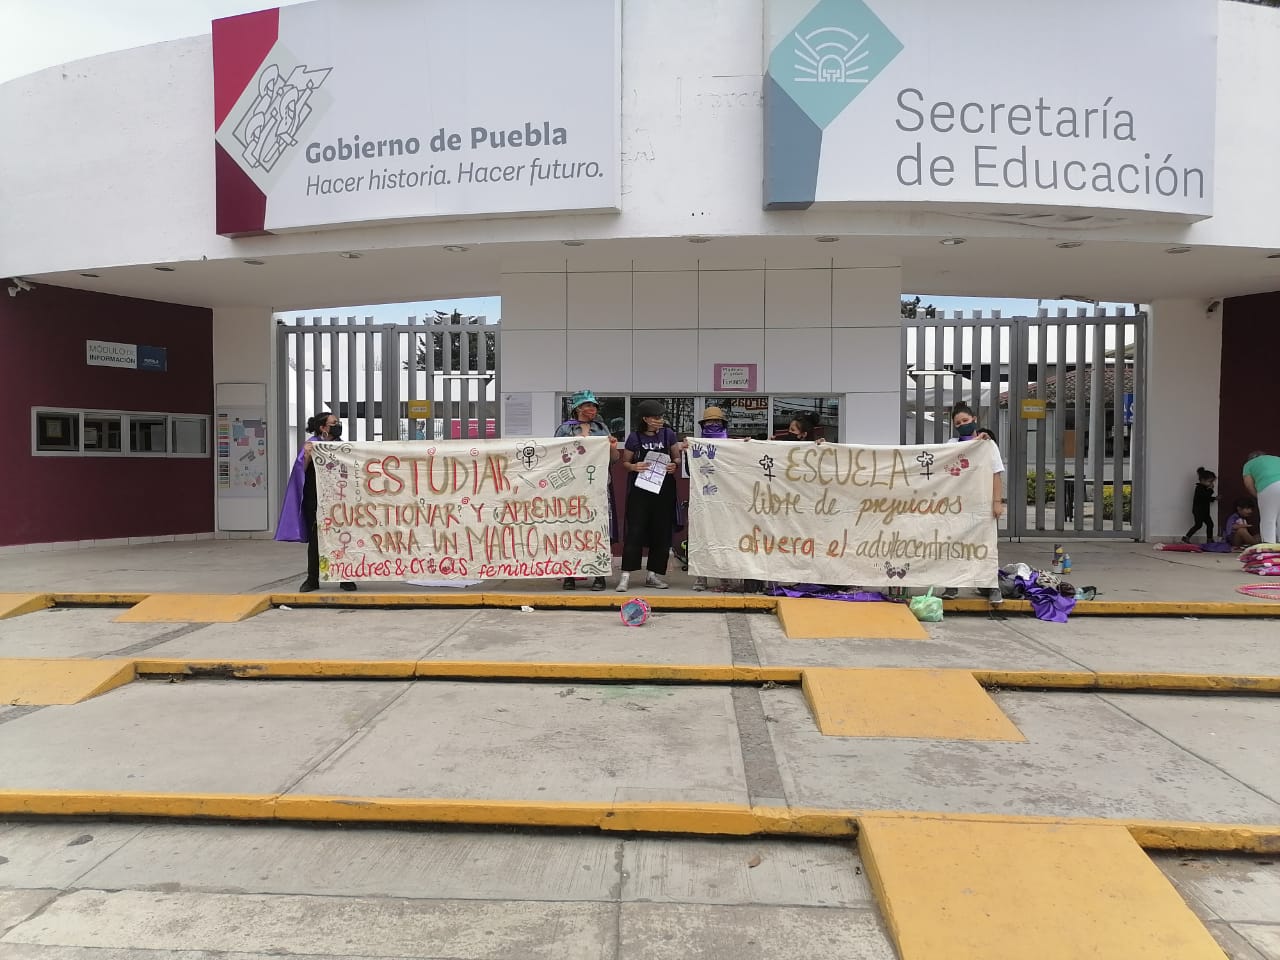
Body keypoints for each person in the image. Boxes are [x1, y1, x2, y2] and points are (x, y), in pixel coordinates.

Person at [275, 411, 357, 593]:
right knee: (316, 541)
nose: (337, 425)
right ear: (323, 427)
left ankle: (345, 578)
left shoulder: (341, 447)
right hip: (316, 500)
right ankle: (313, 579)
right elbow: (299, 471)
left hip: (340, 501)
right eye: (333, 423)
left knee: (343, 540)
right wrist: (307, 456)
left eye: (337, 422)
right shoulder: (311, 445)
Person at [554, 390, 620, 590]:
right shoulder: (564, 430)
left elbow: (614, 459)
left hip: (598, 487)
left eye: (595, 406)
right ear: (578, 408)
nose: (593, 409)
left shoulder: (601, 429)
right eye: (589, 406)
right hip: (572, 488)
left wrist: (612, 447)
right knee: (572, 529)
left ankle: (598, 574)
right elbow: (555, 456)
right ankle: (570, 574)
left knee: (598, 529)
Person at [939, 403, 1005, 605]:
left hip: (982, 503)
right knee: (954, 543)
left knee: (985, 544)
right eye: (958, 423)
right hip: (957, 504)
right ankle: (952, 585)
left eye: (965, 421)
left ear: (974, 419)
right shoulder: (952, 443)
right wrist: (975, 441)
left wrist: (997, 502)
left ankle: (990, 586)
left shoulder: (988, 445)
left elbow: (996, 473)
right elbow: (950, 458)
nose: (962, 425)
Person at [617, 399, 681, 592]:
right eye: (655, 417)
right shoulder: (634, 437)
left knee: (660, 531)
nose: (659, 420)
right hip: (640, 489)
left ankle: (653, 575)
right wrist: (634, 466)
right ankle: (626, 575)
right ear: (645, 419)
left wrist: (675, 464)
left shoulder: (668, 434)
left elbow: (677, 456)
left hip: (664, 489)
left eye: (661, 417)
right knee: (635, 529)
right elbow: (625, 462)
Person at [691, 406, 729, 592]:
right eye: (709, 421)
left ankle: (724, 576)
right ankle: (701, 576)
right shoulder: (696, 445)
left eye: (717, 421)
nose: (713, 425)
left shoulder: (732, 445)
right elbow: (691, 469)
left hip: (725, 500)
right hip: (702, 498)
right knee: (701, 535)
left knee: (724, 536)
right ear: (703, 424)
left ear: (723, 424)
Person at [1243, 451, 1280, 544]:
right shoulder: (1276, 458)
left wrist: (1258, 495)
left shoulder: (1249, 464)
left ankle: (1269, 546)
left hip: (1269, 487)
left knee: (1268, 518)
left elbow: (1249, 484)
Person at [1181, 467, 1217, 543]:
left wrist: (1214, 498)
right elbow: (1204, 496)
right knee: (1198, 525)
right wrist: (1210, 490)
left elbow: (1206, 498)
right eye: (1210, 482)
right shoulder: (1199, 488)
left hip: (1205, 511)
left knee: (1210, 524)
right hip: (1199, 511)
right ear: (1203, 480)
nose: (1212, 484)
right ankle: (1186, 537)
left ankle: (1209, 539)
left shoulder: (1205, 488)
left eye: (1212, 482)